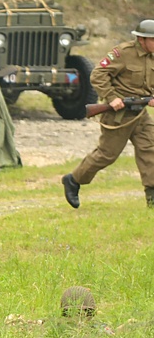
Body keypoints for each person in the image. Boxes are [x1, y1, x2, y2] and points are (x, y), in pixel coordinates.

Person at [63, 20, 154, 209]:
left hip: (141, 115)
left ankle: (152, 197)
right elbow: (98, 75)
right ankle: (74, 180)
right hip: (119, 115)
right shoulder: (123, 53)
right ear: (142, 39)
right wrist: (112, 97)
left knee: (150, 151)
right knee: (107, 155)